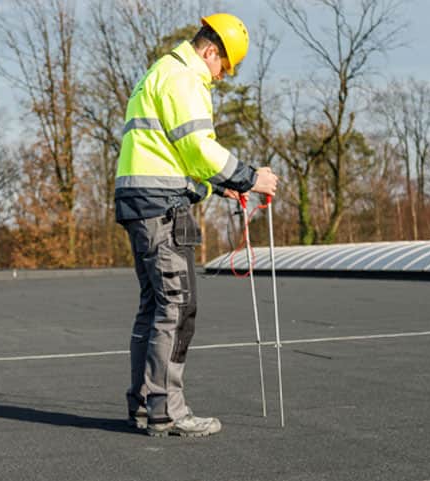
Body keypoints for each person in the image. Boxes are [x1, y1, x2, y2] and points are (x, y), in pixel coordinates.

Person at [114, 14, 279, 437]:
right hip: (160, 209)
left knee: (153, 307)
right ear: (210, 52)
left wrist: (214, 189)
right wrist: (247, 177)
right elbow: (200, 148)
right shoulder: (185, 80)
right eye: (224, 67)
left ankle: (143, 405)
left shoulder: (159, 72)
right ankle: (167, 412)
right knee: (177, 307)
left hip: (142, 201)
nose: (222, 77)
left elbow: (174, 158)